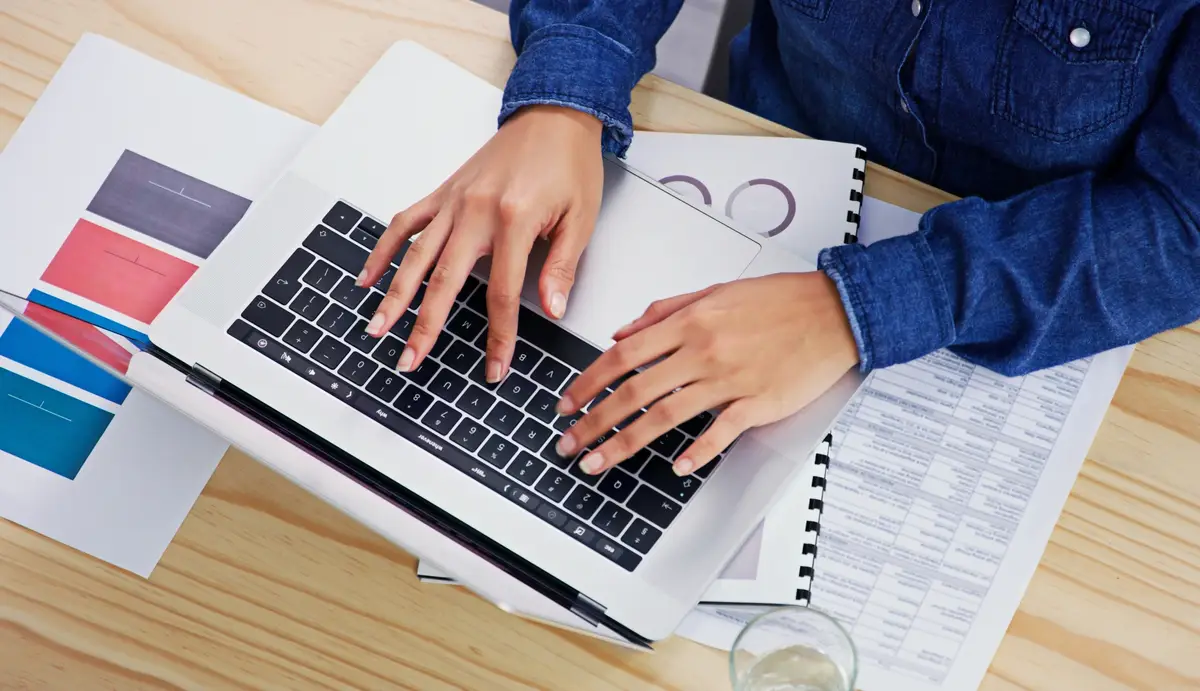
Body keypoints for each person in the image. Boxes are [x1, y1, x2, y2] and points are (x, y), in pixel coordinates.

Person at [357, 0, 1200, 479]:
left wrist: (862, 307)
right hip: (766, 144)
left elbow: (1184, 223)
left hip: (1038, 276)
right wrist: (568, 83)